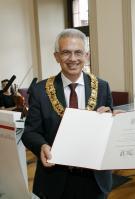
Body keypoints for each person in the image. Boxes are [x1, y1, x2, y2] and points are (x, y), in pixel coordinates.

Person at [22, 29, 113, 199]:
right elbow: (30, 132)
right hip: (55, 179)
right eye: (66, 53)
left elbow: (109, 130)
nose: (72, 59)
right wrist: (41, 145)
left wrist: (113, 120)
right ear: (56, 56)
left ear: (86, 55)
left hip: (95, 180)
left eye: (78, 52)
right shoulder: (40, 90)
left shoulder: (102, 87)